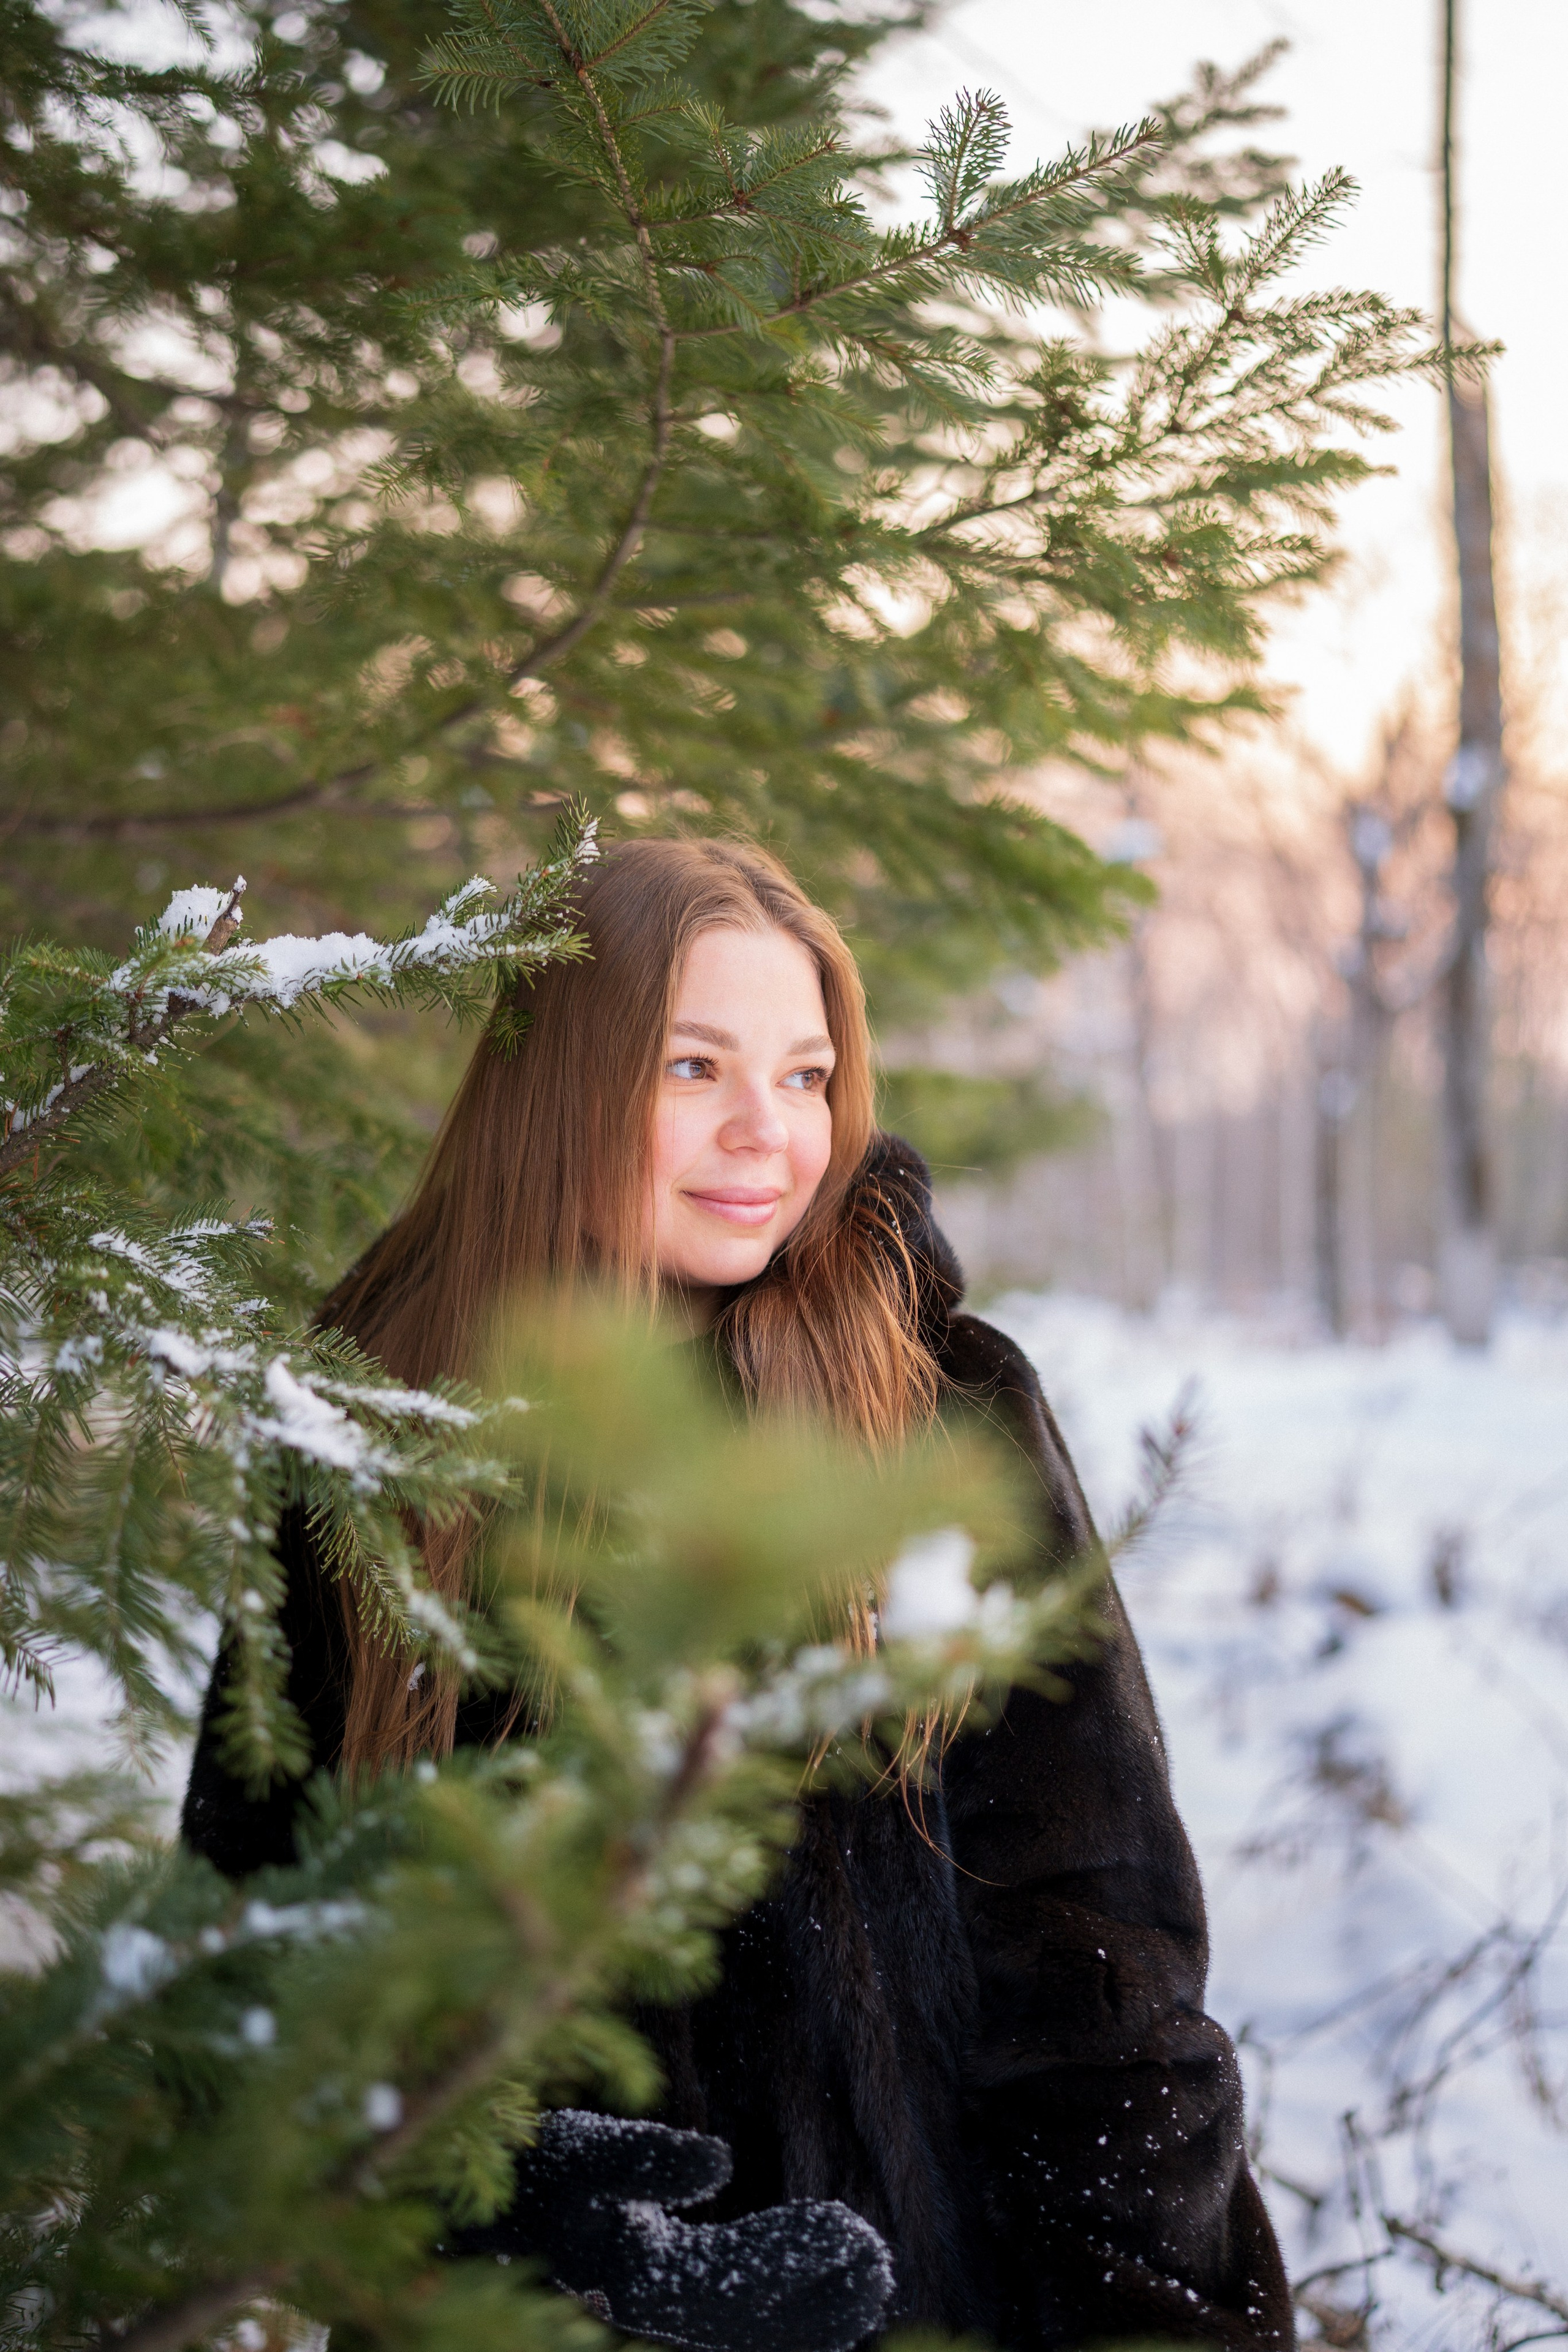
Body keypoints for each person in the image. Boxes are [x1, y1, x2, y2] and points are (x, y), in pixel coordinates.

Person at [182, 839, 1294, 2352]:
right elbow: (249, 1949)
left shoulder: (934, 1411)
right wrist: (513, 2222)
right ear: (559, 1081)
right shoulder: (375, 1434)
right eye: (692, 1066)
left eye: (804, 1074)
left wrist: (1146, 2313)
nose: (766, 1134)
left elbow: (1096, 1951)